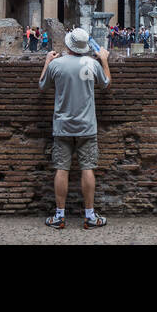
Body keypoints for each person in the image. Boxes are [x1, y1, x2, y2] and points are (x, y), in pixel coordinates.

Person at [38, 27, 110, 230]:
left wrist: (47, 62)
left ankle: (59, 216)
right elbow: (106, 84)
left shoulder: (57, 64)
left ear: (68, 45)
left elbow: (42, 86)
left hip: (62, 126)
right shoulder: (92, 63)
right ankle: (90, 216)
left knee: (62, 169)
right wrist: (103, 59)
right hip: (87, 125)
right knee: (88, 168)